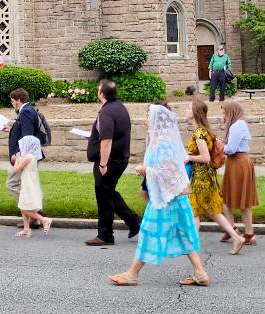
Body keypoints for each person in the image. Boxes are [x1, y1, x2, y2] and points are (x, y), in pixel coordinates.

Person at [107, 103, 210, 287]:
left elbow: (167, 170)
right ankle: (200, 272)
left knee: (148, 231)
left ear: (156, 121)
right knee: (184, 232)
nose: (145, 120)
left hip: (165, 199)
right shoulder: (163, 141)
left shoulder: (162, 144)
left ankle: (132, 274)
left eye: (148, 116)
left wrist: (145, 169)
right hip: (176, 197)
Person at [184, 99, 247, 254]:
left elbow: (205, 158)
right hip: (207, 177)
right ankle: (236, 237)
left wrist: (188, 157)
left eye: (188, 108)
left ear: (195, 113)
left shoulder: (199, 133)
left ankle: (191, 246)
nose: (186, 110)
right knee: (213, 212)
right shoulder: (204, 131)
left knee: (194, 211)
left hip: (200, 178)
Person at [85, 80, 141, 246]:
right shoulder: (119, 107)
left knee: (103, 196)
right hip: (119, 158)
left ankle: (105, 235)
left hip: (110, 160)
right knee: (108, 192)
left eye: (98, 90)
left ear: (102, 94)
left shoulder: (107, 112)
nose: (97, 92)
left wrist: (103, 164)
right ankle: (133, 220)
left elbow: (107, 141)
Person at [219, 100, 259, 246]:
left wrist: (218, 145)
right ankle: (239, 231)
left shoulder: (237, 126)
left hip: (238, 163)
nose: (223, 115)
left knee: (241, 201)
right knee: (226, 197)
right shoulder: (237, 125)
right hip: (235, 163)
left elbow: (230, 149)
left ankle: (242, 232)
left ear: (231, 112)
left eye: (224, 112)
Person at [5, 89, 45, 205]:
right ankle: (32, 215)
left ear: (18, 100)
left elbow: (27, 136)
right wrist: (11, 130)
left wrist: (17, 154)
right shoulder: (28, 110)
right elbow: (24, 131)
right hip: (26, 154)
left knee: (12, 184)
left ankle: (33, 209)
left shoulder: (26, 112)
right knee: (27, 185)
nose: (12, 104)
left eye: (13, 101)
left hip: (24, 155)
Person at [11, 134, 51, 237]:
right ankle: (26, 229)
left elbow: (16, 169)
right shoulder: (31, 157)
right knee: (23, 206)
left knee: (25, 208)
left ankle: (44, 220)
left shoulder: (28, 157)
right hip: (28, 183)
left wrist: (17, 158)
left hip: (28, 185)